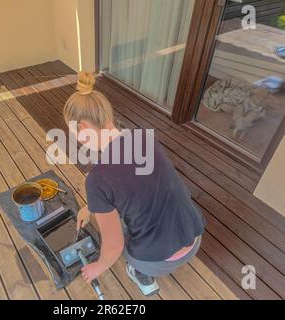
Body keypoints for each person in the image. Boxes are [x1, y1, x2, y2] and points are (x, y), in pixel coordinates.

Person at [63, 72, 206, 296]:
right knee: (122, 205)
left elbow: (114, 247)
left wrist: (97, 268)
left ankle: (140, 272)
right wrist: (90, 206)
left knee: (114, 226)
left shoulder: (97, 179)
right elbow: (132, 184)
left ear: (81, 127)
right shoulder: (145, 137)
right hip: (195, 235)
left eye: (72, 132)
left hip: (160, 260)